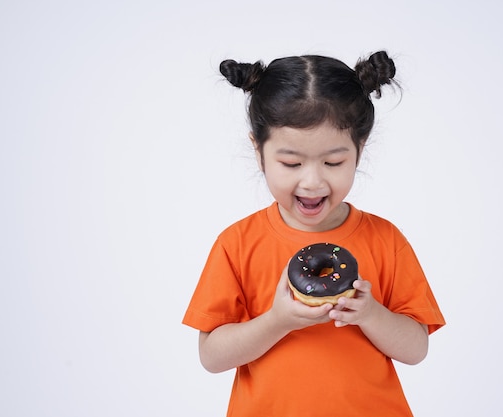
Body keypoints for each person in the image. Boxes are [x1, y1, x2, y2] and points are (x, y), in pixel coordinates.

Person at [183, 51, 445, 417]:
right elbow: (211, 356)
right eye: (291, 163)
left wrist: (370, 314)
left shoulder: (386, 240)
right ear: (258, 150)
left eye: (333, 162)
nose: (312, 181)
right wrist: (277, 321)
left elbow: (416, 349)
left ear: (359, 150)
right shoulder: (237, 244)